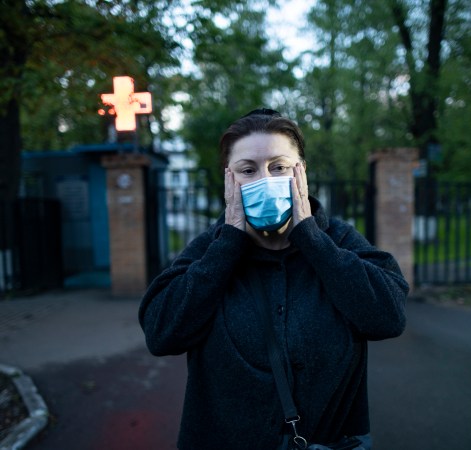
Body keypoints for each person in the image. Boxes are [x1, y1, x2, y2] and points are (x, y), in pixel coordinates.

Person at [139, 108, 409, 450]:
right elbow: (161, 333)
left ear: (301, 172)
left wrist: (310, 238)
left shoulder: (338, 241)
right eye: (248, 170)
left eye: (278, 167)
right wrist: (229, 245)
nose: (264, 180)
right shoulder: (210, 250)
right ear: (229, 179)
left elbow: (389, 317)